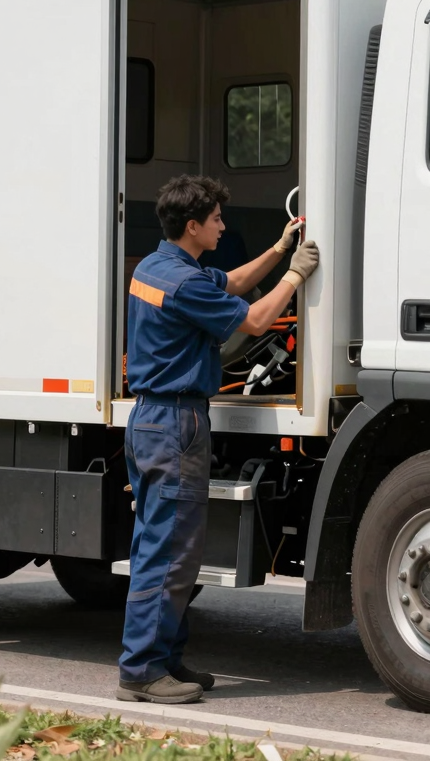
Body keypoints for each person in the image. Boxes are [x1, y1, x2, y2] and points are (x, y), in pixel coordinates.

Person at [117, 174, 320, 705]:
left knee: (157, 548)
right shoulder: (183, 283)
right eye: (216, 220)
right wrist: (295, 277)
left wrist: (279, 250)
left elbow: (228, 284)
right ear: (193, 226)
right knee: (172, 554)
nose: (223, 226)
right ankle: (141, 671)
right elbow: (254, 319)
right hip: (176, 423)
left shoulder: (158, 268)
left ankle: (163, 660)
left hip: (151, 420)